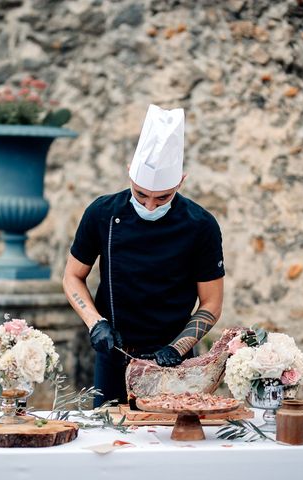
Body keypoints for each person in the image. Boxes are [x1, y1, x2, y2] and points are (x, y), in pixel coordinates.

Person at [63, 104, 225, 407]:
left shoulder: (201, 225)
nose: (150, 206)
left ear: (180, 181)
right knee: (110, 438)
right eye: (141, 195)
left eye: (162, 197)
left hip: (174, 363)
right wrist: (95, 322)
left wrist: (178, 348)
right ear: (129, 174)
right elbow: (73, 276)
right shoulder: (102, 213)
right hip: (114, 354)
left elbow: (212, 303)